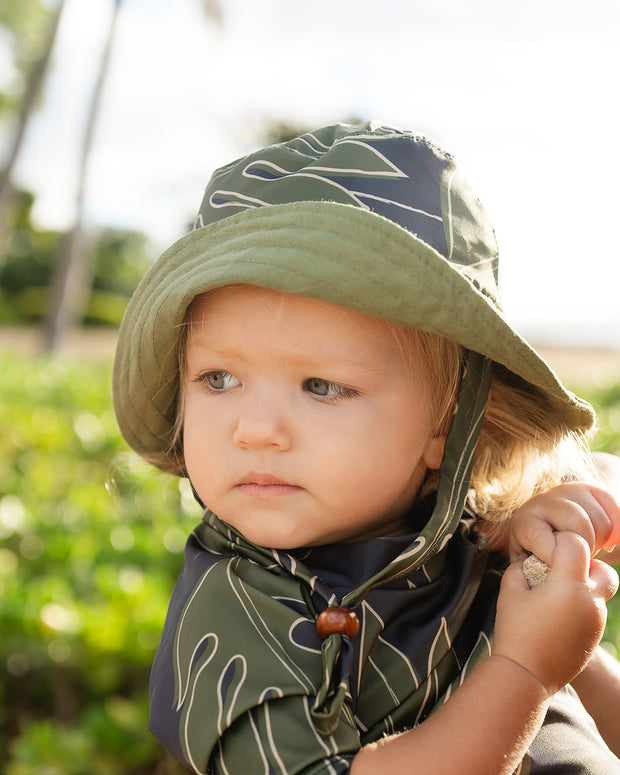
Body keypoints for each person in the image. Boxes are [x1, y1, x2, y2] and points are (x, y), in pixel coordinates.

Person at [112, 122, 620, 774]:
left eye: (321, 385)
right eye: (219, 378)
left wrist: (558, 543)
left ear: (447, 423)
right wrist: (524, 670)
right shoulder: (237, 615)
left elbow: (578, 718)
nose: (255, 428)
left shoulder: (454, 536)